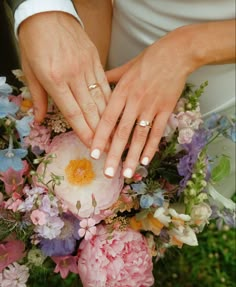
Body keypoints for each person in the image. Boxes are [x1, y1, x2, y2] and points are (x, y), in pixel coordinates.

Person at [7, 0, 235, 196]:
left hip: (219, 72)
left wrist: (187, 48)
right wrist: (89, 86)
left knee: (193, 182)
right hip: (121, 39)